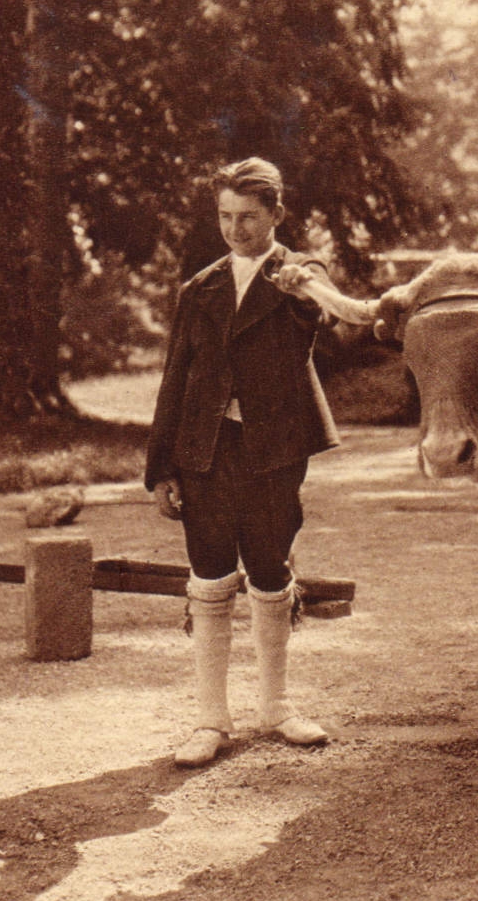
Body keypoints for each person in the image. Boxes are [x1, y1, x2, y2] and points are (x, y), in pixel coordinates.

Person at [145, 156, 342, 768]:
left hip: (273, 450)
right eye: (226, 217)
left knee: (269, 566)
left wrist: (304, 282)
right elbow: (176, 378)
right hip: (204, 450)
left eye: (249, 218)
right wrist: (162, 468)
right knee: (207, 573)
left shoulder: (298, 278)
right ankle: (210, 719)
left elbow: (322, 308)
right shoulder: (199, 288)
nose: (235, 229)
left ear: (277, 215)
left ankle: (277, 706)